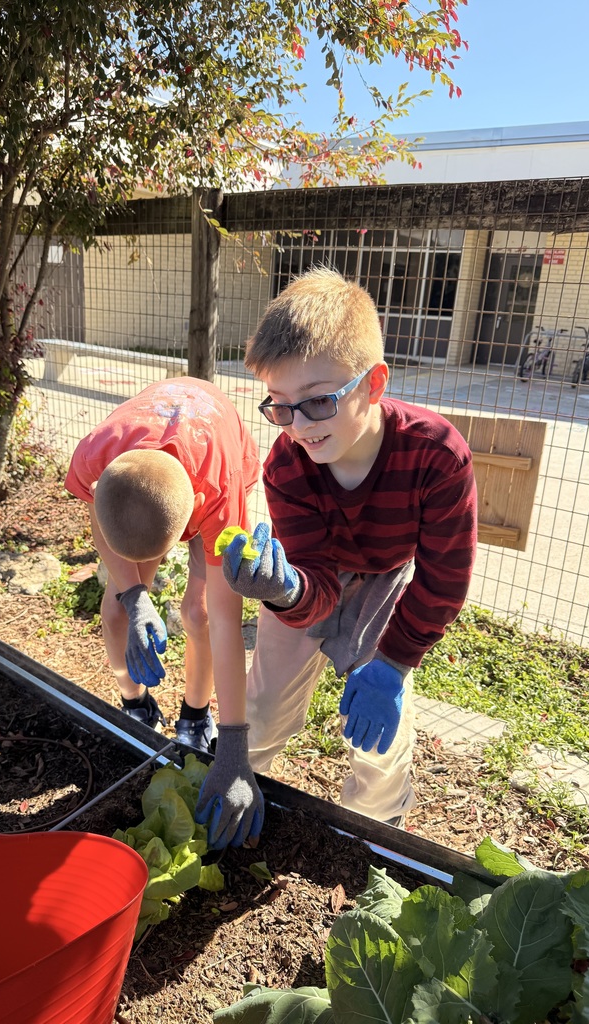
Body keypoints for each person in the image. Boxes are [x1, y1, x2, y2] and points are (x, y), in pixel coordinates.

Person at [202, 266, 477, 846]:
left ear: (374, 384)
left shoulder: (437, 455)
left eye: (318, 402)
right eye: (278, 405)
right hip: (316, 569)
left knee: (379, 733)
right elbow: (316, 580)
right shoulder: (286, 464)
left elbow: (444, 578)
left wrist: (395, 662)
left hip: (384, 575)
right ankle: (238, 784)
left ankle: (375, 834)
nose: (298, 426)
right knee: (267, 704)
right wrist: (285, 592)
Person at [64, 376, 261, 758]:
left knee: (200, 614)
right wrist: (136, 597)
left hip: (217, 454)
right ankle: (135, 706)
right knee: (117, 611)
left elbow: (226, 622)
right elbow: (101, 525)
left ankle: (196, 716)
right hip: (143, 465)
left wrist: (234, 739)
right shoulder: (94, 457)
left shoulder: (220, 494)